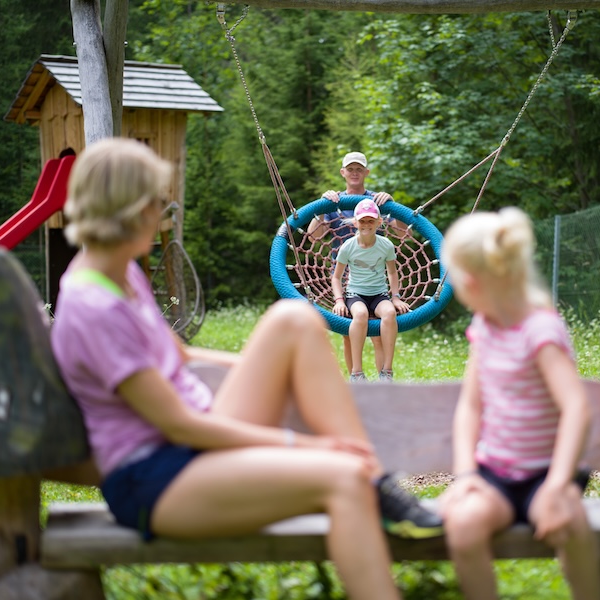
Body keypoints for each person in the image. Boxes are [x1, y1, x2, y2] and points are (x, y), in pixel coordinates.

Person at [49, 138, 444, 600]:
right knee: (343, 478)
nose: (163, 214)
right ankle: (367, 479)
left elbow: (181, 358)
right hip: (155, 476)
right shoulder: (93, 306)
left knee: (294, 319)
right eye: (158, 203)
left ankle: (374, 474)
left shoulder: (120, 272)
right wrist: (302, 444)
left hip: (192, 442)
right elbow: (179, 424)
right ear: (131, 211)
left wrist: (279, 376)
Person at [437, 207, 600, 600]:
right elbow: (471, 407)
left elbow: (576, 408)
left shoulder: (539, 329)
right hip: (495, 473)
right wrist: (466, 476)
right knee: (463, 526)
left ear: (471, 282)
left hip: (549, 473)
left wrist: (558, 486)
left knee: (571, 526)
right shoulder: (484, 327)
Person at [309, 151, 395, 376]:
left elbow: (402, 231)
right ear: (343, 172)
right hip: (344, 276)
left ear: (366, 172)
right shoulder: (333, 202)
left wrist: (394, 206)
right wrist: (320, 208)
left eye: (359, 169)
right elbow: (313, 237)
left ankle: (384, 383)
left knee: (377, 334)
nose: (354, 173)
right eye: (350, 169)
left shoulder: (377, 202)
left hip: (373, 276)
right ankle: (356, 380)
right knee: (349, 332)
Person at [331, 197, 409, 383]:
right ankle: (357, 373)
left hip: (379, 294)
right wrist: (339, 300)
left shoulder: (386, 245)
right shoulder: (348, 246)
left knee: (389, 313)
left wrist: (395, 297)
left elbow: (392, 272)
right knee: (360, 315)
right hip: (355, 294)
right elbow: (336, 277)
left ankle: (387, 371)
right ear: (356, 222)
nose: (367, 224)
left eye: (371, 220)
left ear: (379, 222)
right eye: (363, 220)